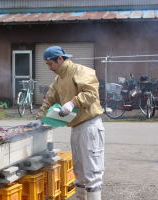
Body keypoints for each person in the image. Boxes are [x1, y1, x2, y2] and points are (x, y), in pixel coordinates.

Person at [36, 46, 105, 200]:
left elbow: (91, 93)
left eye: (50, 64)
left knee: (92, 173)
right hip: (76, 127)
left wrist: (72, 103)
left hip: (90, 125)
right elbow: (49, 100)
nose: (49, 68)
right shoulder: (58, 79)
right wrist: (38, 120)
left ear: (60, 59)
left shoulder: (80, 71)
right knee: (79, 172)